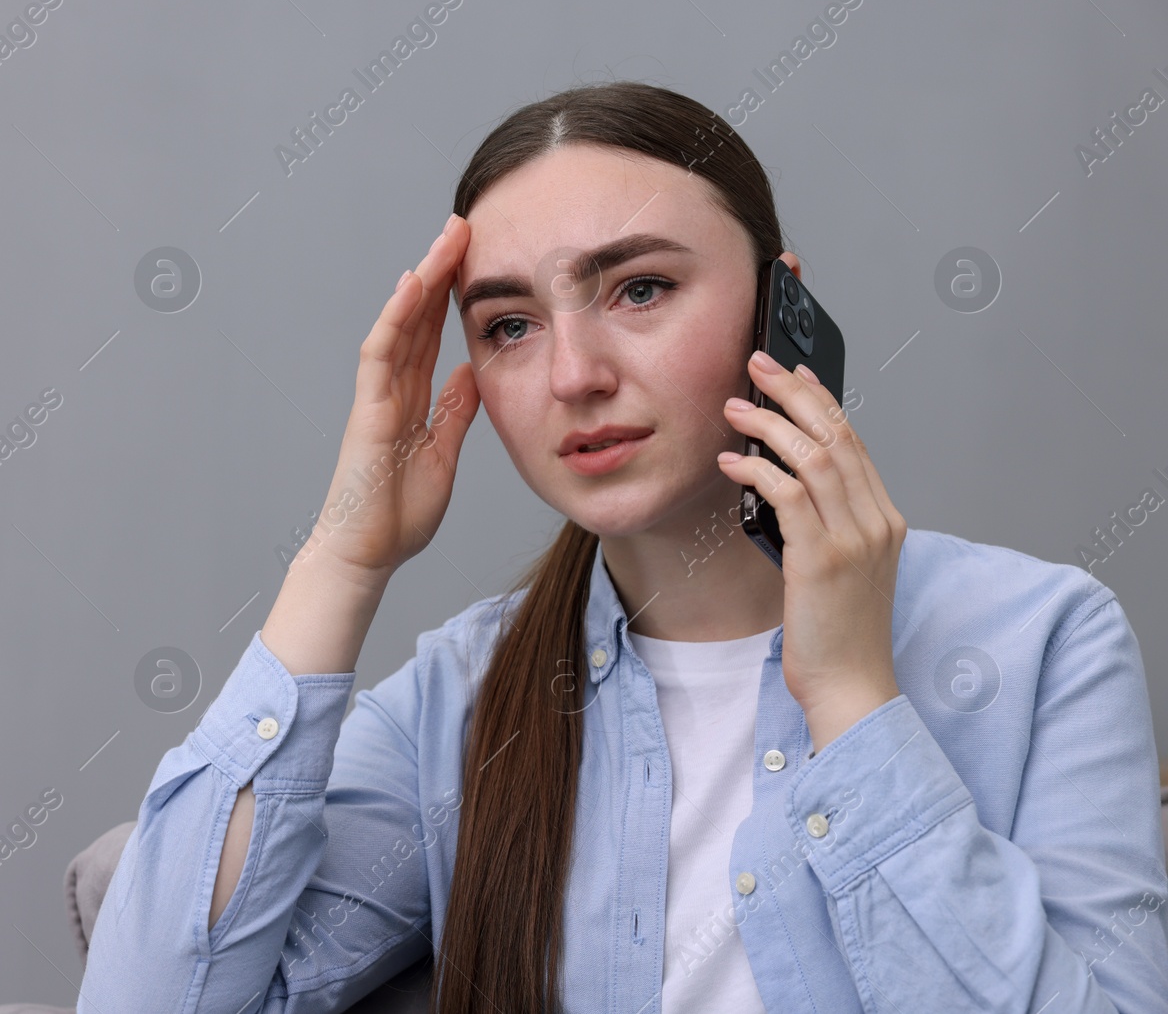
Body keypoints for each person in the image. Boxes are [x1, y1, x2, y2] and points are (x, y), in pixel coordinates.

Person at [77, 81, 1168, 1013]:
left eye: (639, 288)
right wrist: (342, 560)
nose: (572, 375)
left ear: (781, 306)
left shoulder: (1041, 640)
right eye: (509, 324)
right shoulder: (459, 702)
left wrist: (850, 695)